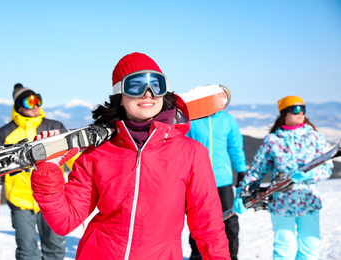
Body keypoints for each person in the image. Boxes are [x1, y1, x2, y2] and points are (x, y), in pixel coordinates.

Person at [30, 52, 230, 259]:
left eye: (156, 85)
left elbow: (209, 227)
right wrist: (48, 171)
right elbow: (65, 221)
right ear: (120, 96)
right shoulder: (98, 153)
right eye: (136, 86)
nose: (148, 93)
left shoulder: (191, 153)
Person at [234, 95, 333, 260]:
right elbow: (257, 171)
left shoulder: (314, 137)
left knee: (310, 249)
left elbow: (327, 167)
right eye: (295, 109)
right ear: (284, 114)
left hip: (309, 200)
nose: (300, 113)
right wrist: (242, 194)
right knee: (284, 250)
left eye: (303, 109)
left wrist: (310, 174)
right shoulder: (272, 141)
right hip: (282, 203)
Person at [0, 83, 71, 260]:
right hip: (21, 201)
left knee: (55, 247)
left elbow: (72, 156)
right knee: (27, 251)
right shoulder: (3, 135)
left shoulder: (54, 127)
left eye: (37, 100)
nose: (35, 106)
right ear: (18, 106)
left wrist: (84, 171)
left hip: (53, 198)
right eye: (29, 102)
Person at [187, 110, 247, 260]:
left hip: (223, 180)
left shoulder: (227, 120)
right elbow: (184, 148)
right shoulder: (193, 121)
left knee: (230, 220)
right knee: (199, 220)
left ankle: (232, 255)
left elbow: (235, 147)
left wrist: (241, 171)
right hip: (198, 180)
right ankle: (197, 254)